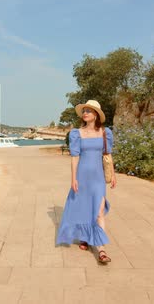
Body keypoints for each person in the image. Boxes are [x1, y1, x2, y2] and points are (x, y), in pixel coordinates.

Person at [56, 100, 117, 263]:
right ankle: (86, 237)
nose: (85, 113)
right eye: (84, 111)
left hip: (98, 179)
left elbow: (108, 155)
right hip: (82, 177)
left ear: (96, 114)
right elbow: (75, 157)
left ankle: (102, 250)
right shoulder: (77, 133)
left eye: (89, 111)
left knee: (98, 212)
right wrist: (73, 179)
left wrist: (113, 174)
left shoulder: (105, 133)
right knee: (83, 208)